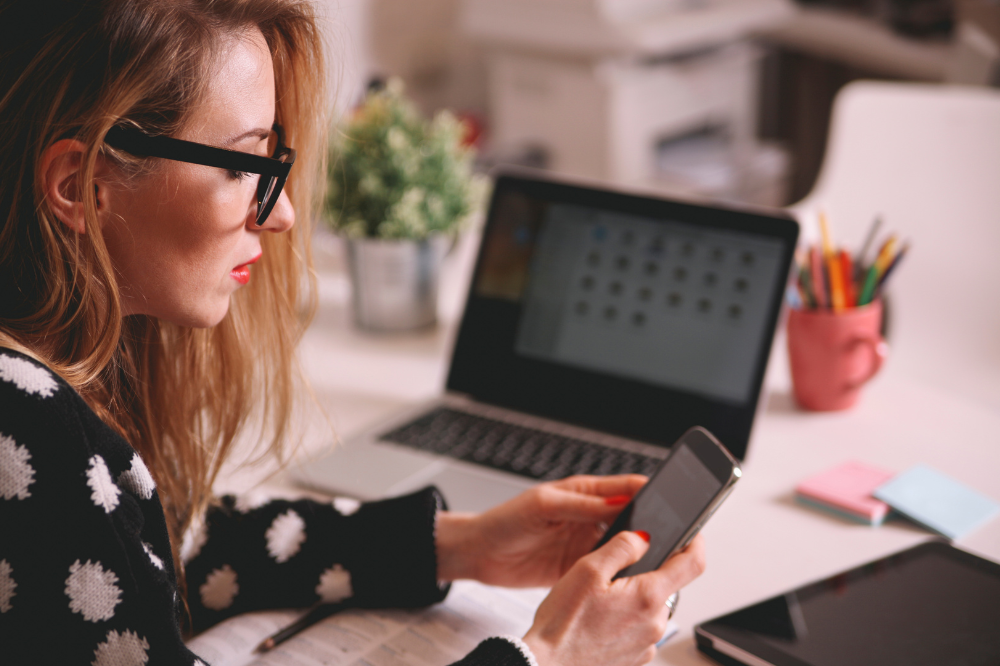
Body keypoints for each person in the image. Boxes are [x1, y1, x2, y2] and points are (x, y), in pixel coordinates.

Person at [0, 1, 706, 664]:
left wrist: (457, 546)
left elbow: (161, 548)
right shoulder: (24, 419)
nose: (278, 218)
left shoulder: (46, 388)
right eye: (245, 166)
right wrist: (552, 652)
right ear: (81, 183)